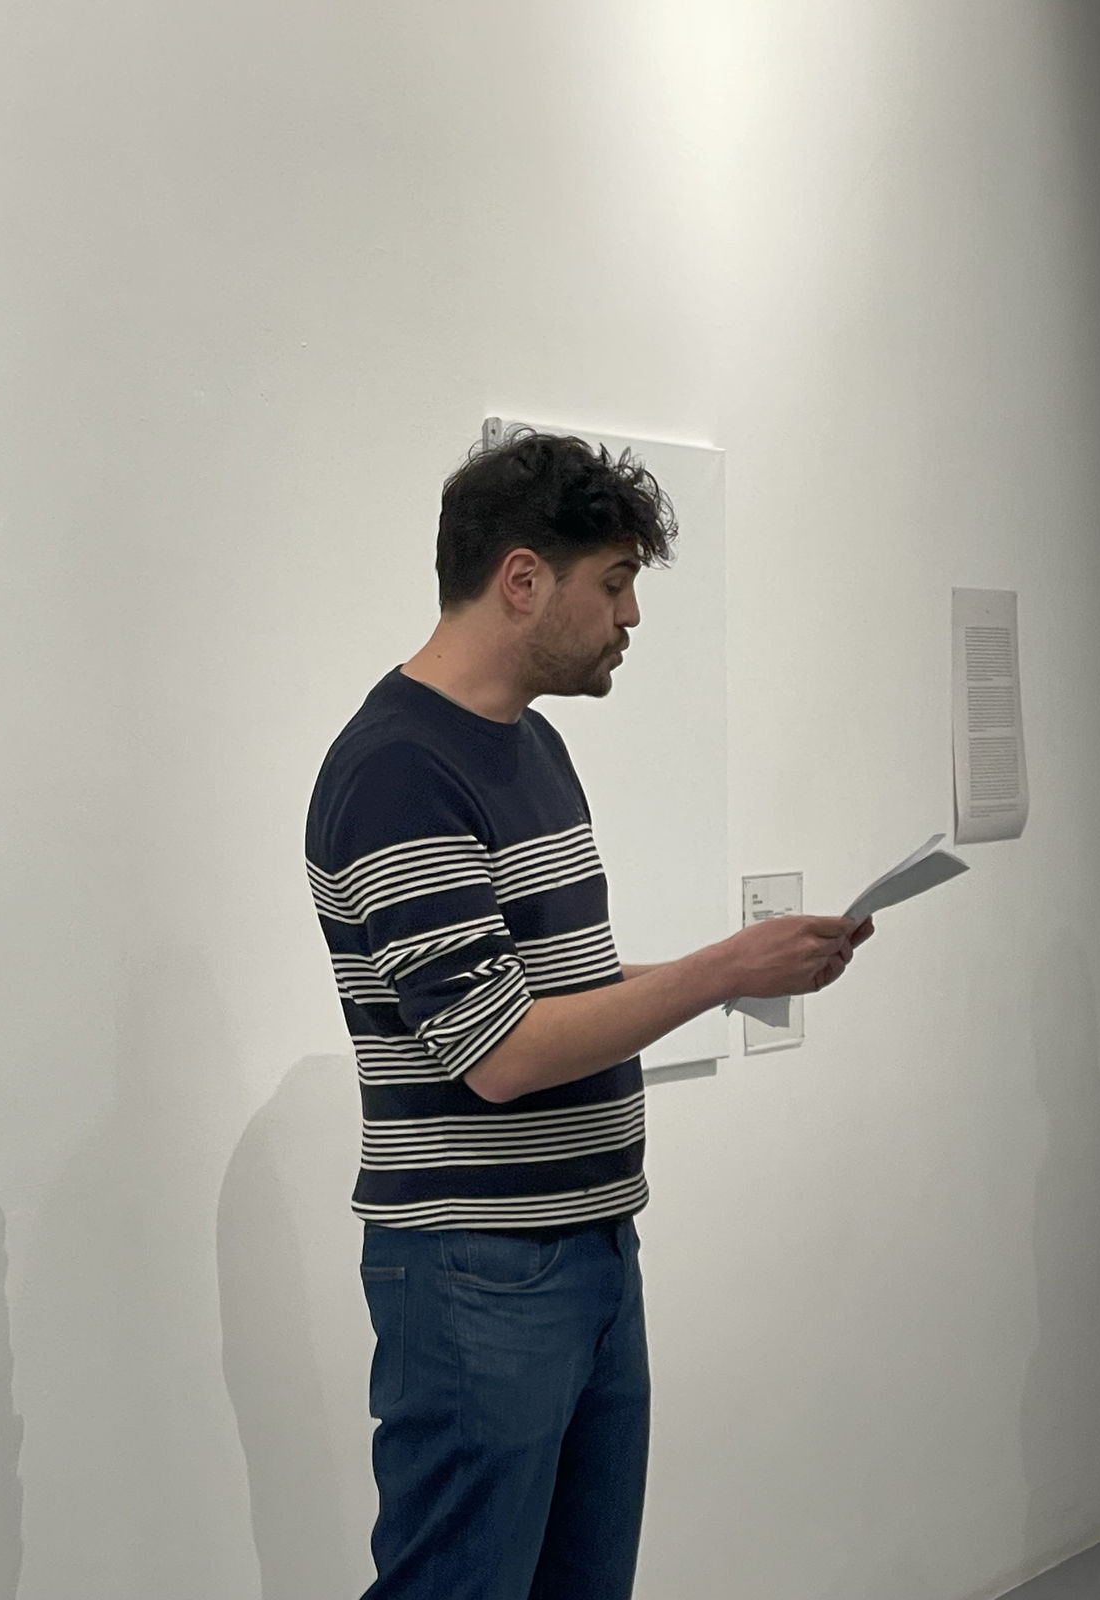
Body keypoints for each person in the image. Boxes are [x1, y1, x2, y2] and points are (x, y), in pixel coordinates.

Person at [304, 430, 874, 1600]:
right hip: (478, 1274)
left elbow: (556, 992)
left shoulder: (532, 745)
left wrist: (746, 970)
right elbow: (502, 1053)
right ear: (523, 579)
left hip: (591, 1248)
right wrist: (722, 967)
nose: (631, 616)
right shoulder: (398, 772)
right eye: (614, 584)